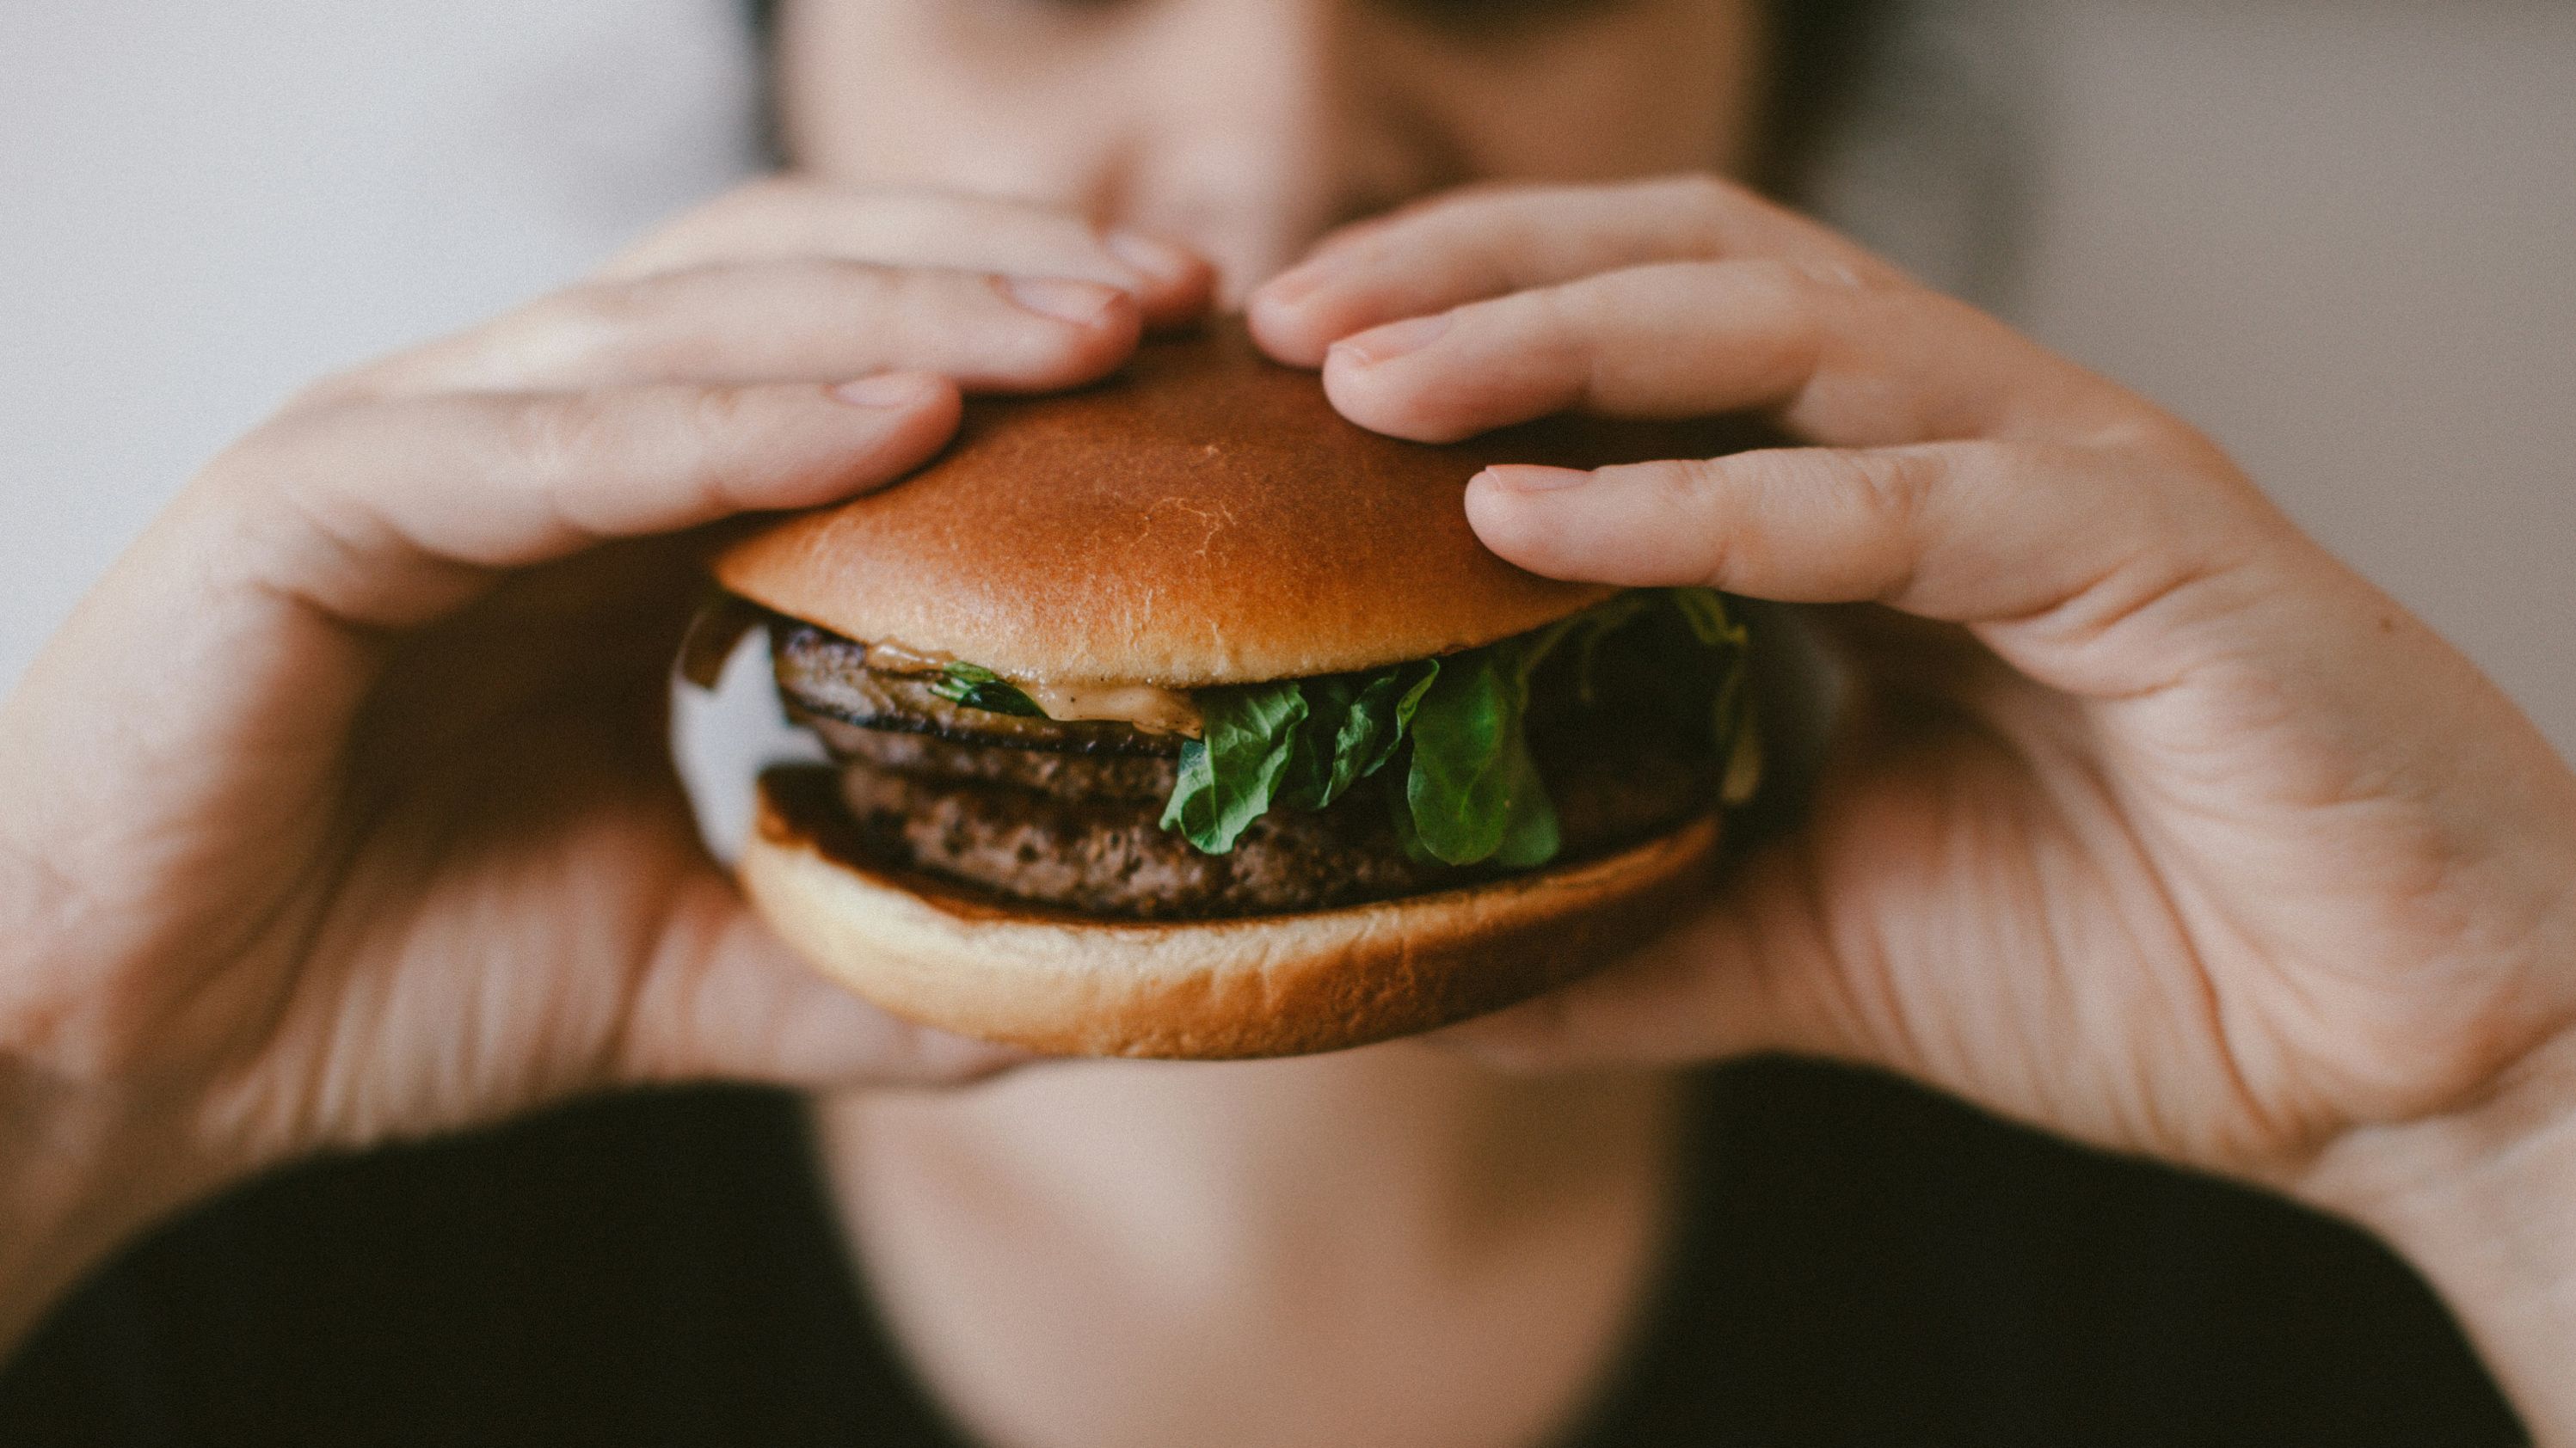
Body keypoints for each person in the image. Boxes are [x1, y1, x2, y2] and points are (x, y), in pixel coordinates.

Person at [1, 0, 2569, 1442]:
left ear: (1769, 94)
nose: (1272, 143)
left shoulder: (2279, 1251)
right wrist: (61, 1081)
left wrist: (2514, 1113)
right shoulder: (219, 1254)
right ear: (786, 73)